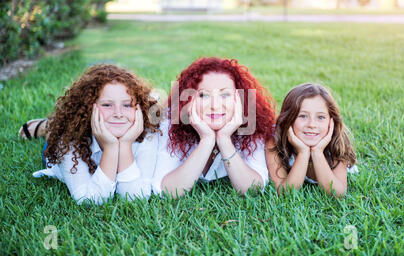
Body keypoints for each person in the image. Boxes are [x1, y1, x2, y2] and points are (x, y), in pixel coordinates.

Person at [25, 64, 160, 205]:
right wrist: (111, 148)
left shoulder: (148, 133)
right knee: (57, 130)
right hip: (60, 145)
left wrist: (125, 145)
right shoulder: (69, 140)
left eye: (127, 105)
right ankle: (48, 126)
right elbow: (88, 199)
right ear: (88, 108)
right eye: (107, 105)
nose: (118, 114)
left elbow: (135, 197)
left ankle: (50, 123)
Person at [152, 57, 276, 198]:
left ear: (240, 98)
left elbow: (253, 189)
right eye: (204, 95)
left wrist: (224, 139)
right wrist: (206, 139)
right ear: (188, 99)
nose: (215, 105)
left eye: (225, 94)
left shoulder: (252, 124)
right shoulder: (170, 124)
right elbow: (167, 191)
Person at [265, 83, 357, 197]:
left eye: (321, 117)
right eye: (303, 116)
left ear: (331, 121)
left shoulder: (337, 141)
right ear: (288, 118)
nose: (312, 124)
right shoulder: (274, 141)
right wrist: (303, 152)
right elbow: (285, 193)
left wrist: (317, 152)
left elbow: (338, 194)